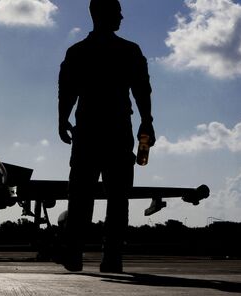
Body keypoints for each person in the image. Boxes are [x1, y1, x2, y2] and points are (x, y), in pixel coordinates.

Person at [58, 0, 155, 273]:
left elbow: (66, 90)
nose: (122, 17)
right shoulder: (128, 51)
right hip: (116, 129)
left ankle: (75, 253)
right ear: (103, 15)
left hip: (88, 129)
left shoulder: (78, 51)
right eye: (117, 12)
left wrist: (62, 118)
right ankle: (111, 257)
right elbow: (142, 90)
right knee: (117, 196)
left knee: (80, 195)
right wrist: (147, 121)